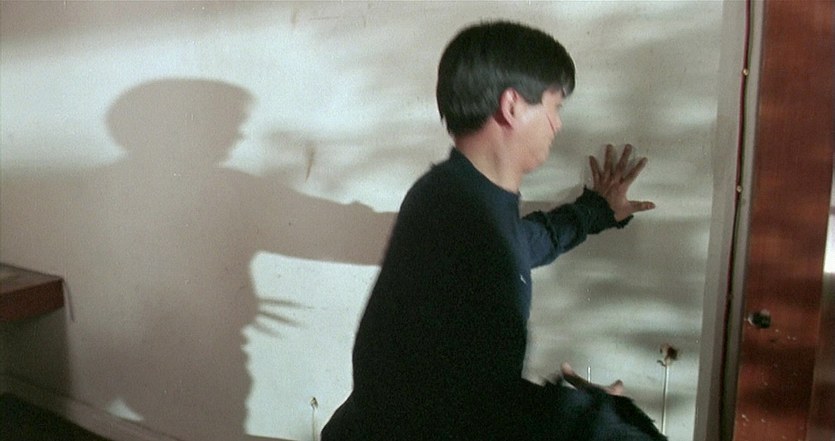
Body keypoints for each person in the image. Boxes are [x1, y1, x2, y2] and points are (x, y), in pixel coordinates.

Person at [322, 21, 663, 441]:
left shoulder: (455, 195)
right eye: (555, 107)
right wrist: (596, 416)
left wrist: (596, 211)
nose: (557, 125)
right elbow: (477, 408)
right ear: (513, 106)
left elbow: (520, 243)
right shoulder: (461, 216)